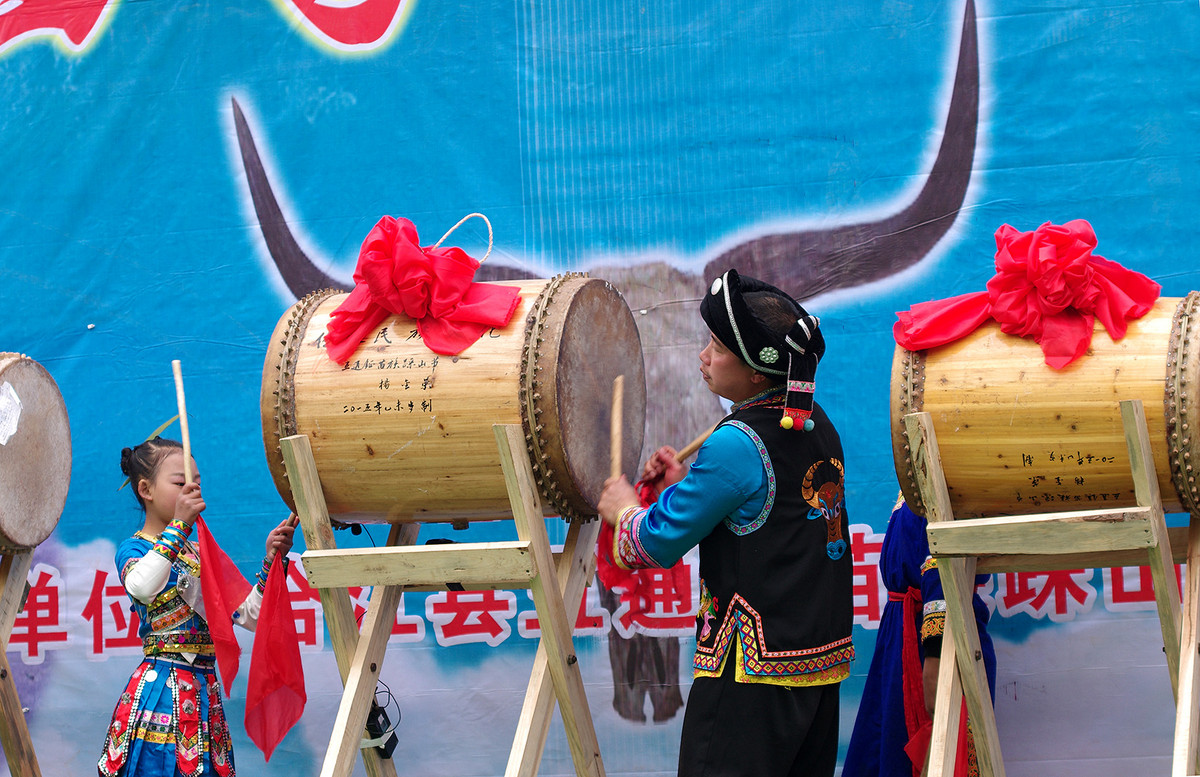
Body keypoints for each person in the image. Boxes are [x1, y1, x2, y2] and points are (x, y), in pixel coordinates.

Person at [598, 268, 853, 777]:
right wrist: (686, 484)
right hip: (816, 672)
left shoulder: (736, 442)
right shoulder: (815, 422)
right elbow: (760, 509)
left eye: (716, 347)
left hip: (749, 680)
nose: (703, 356)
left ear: (758, 372)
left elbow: (649, 544)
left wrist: (623, 508)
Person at [98, 436, 296, 777]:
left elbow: (250, 616)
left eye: (197, 484)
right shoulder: (135, 549)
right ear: (145, 489)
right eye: (180, 483)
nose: (192, 490)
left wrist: (272, 560)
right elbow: (142, 586)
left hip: (204, 691)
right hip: (161, 688)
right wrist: (179, 527)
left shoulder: (200, 552)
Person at [841, 497, 996, 777]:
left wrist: (934, 655)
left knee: (942, 745)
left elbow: (944, 562)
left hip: (939, 631)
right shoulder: (912, 484)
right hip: (902, 632)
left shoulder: (946, 481)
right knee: (888, 740)